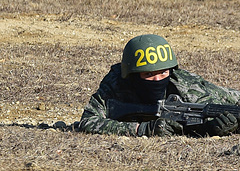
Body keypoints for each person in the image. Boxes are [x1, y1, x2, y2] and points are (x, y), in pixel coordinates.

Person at [75, 34, 240, 137]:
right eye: (148, 74)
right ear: (132, 74)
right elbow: (88, 121)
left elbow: (232, 104)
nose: (157, 80)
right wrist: (142, 129)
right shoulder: (117, 82)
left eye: (163, 73)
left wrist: (213, 128)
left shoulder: (188, 89)